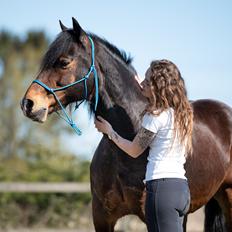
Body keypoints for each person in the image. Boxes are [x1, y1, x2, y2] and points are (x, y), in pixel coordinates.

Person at [94, 59, 193, 232]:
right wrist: (146, 86)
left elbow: (134, 150)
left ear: (157, 87)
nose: (142, 84)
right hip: (181, 191)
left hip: (162, 192)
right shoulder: (181, 114)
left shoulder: (155, 117)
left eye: (147, 81)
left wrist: (110, 132)